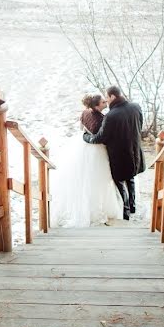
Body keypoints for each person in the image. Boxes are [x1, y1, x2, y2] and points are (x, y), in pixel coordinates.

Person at [49, 94, 123, 227]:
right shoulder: (102, 119)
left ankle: (86, 208)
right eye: (102, 102)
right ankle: (95, 210)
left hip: (82, 147)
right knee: (98, 181)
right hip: (96, 151)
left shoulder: (84, 112)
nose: (105, 102)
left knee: (83, 179)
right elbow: (101, 136)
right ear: (96, 106)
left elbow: (81, 128)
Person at [83, 86, 145, 220]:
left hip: (119, 155)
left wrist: (86, 137)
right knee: (131, 178)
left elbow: (100, 138)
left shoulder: (111, 116)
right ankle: (132, 207)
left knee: (120, 182)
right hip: (135, 152)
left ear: (112, 97)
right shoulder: (136, 106)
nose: (106, 99)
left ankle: (126, 212)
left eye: (107, 97)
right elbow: (140, 126)